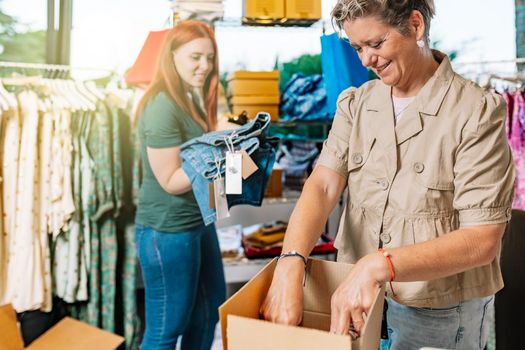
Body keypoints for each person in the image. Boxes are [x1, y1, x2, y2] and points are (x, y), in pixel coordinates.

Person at [260, 1, 515, 349]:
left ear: (415, 25)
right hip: (356, 299)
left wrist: (377, 265)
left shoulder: (475, 112)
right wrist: (290, 262)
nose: (366, 60)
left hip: (436, 311)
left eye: (376, 44)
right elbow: (322, 184)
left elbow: (482, 239)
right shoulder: (358, 104)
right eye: (357, 48)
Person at [134, 20, 225, 350]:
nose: (204, 66)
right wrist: (222, 156)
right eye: (195, 57)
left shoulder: (188, 100)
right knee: (165, 331)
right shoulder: (161, 106)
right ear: (171, 57)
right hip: (167, 231)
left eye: (210, 58)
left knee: (207, 314)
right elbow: (172, 181)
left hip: (198, 222)